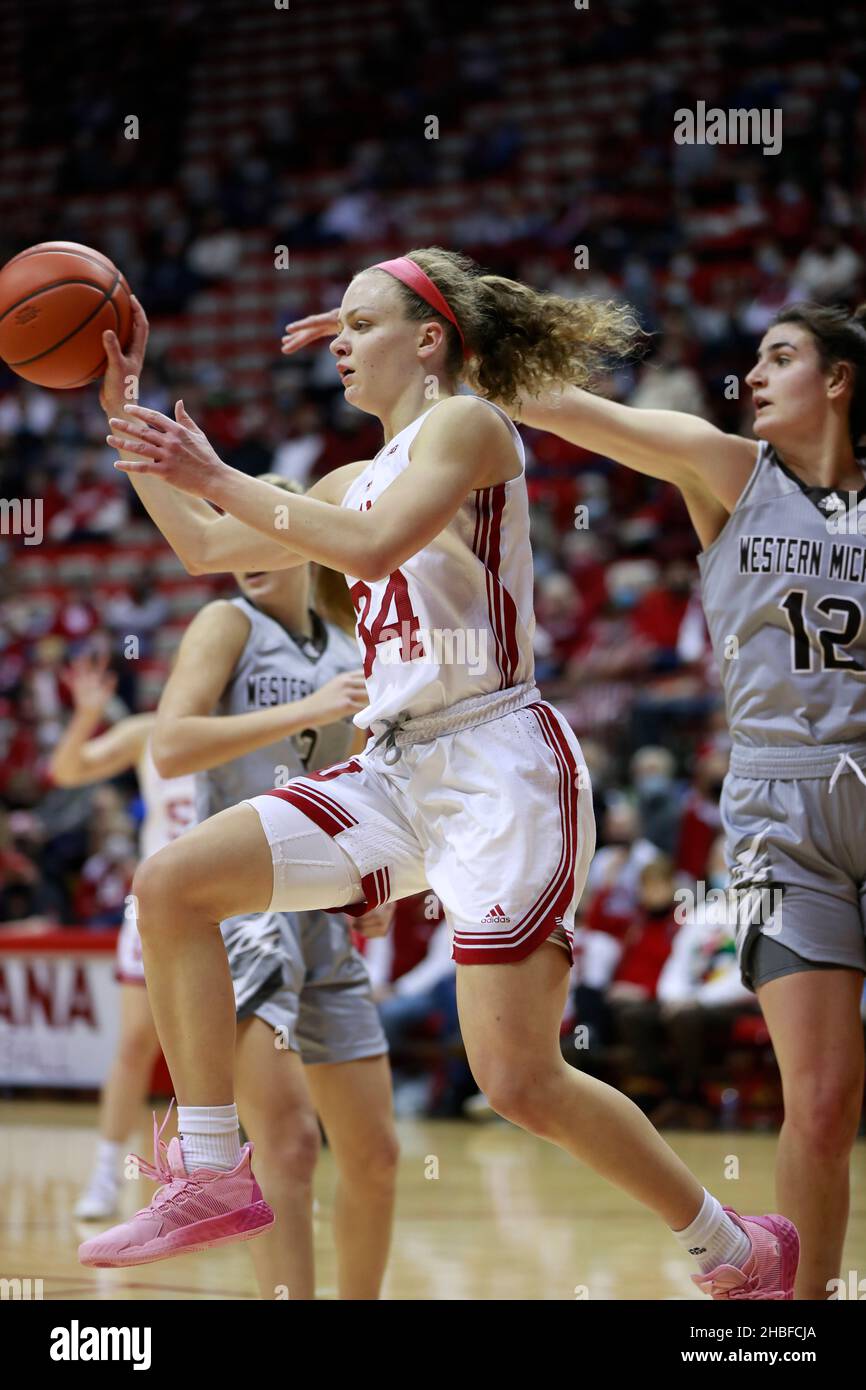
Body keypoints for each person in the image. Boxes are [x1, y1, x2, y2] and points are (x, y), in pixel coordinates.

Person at [83, 257, 798, 1299]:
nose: (336, 339)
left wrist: (218, 472)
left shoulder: (466, 428)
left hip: (498, 758)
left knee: (516, 1079)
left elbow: (372, 549)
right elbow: (201, 542)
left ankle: (731, 1246)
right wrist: (132, 423)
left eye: (361, 321)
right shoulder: (338, 477)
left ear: (428, 340)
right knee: (171, 884)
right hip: (392, 765)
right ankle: (205, 1164)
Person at [500, 298, 866, 1301]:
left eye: (780, 356)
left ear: (837, 381)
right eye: (753, 354)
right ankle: (805, 1310)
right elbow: (582, 414)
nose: (752, 373)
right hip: (782, 821)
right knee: (823, 1100)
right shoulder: (731, 471)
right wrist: (452, 327)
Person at [50, 650, 197, 1221]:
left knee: (226, 1050)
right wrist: (86, 715)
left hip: (228, 907)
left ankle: (212, 1175)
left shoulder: (240, 728)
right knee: (136, 1044)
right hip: (155, 909)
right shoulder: (145, 732)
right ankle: (108, 1173)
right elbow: (65, 772)